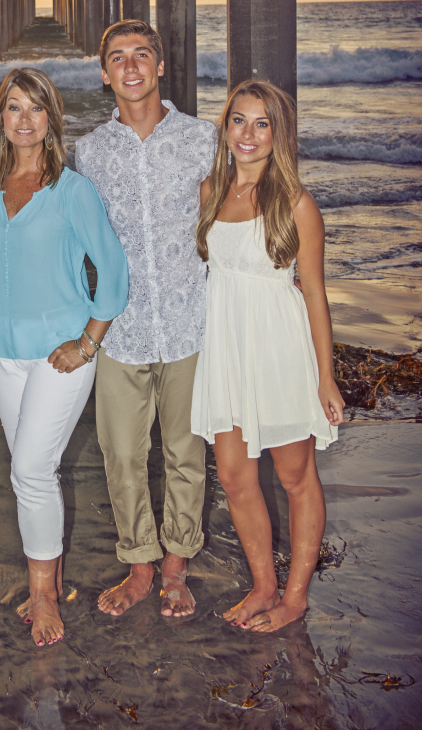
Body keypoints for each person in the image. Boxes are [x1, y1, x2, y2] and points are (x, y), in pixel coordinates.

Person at [0, 68, 129, 647]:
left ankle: (42, 596)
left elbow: (113, 271)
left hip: (61, 356)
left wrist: (89, 341)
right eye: (13, 107)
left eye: (34, 109)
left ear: (51, 120)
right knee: (34, 476)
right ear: (2, 120)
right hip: (2, 353)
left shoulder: (73, 190)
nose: (23, 119)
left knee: (30, 471)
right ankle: (52, 578)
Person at [74, 20, 217, 619]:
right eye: (117, 58)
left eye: (141, 56)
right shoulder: (88, 152)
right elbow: (74, 242)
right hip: (121, 330)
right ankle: (138, 564)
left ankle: (177, 566)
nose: (130, 67)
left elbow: (222, 225)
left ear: (160, 66)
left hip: (189, 321)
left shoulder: (202, 138)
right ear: (104, 74)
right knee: (122, 453)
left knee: (186, 452)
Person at [191, 80, 344, 632]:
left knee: (295, 475)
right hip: (227, 349)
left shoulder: (296, 202)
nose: (248, 134)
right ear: (225, 127)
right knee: (233, 476)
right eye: (239, 120)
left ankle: (295, 596)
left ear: (278, 132)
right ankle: (263, 586)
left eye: (262, 123)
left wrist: (326, 378)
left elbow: (316, 295)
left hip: (279, 349)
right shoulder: (209, 191)